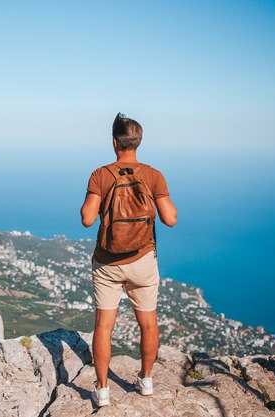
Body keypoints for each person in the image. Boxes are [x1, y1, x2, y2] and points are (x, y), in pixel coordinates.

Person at [80, 113, 177, 407]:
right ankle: (146, 381)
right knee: (148, 324)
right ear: (138, 142)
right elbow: (170, 219)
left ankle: (102, 390)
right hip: (143, 260)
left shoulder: (101, 174)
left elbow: (86, 219)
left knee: (104, 326)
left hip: (108, 262)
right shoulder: (153, 175)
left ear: (114, 142)